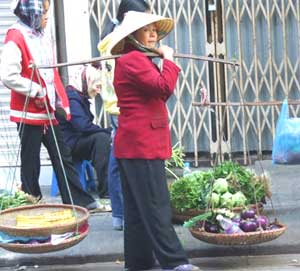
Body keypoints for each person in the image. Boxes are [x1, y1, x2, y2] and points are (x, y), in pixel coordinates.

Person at [98, 11, 200, 271]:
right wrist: (170, 60)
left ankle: (138, 262)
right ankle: (176, 263)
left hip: (135, 144)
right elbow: (163, 87)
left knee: (137, 211)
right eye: (147, 30)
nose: (154, 34)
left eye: (155, 29)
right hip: (140, 144)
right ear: (134, 35)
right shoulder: (133, 60)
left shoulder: (136, 59)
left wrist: (161, 60)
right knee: (156, 207)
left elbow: (155, 92)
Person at [0, 0, 99, 210]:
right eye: (43, 12)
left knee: (62, 155)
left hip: (48, 111)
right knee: (31, 161)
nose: (47, 17)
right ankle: (30, 201)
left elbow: (50, 72)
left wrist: (59, 101)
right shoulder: (16, 36)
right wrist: (35, 90)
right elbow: (8, 75)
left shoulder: (42, 36)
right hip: (29, 112)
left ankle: (76, 200)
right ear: (31, 14)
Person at [98, 0, 151, 231]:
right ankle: (123, 213)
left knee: (118, 157)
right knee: (121, 160)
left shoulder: (114, 35)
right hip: (121, 106)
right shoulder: (118, 39)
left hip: (117, 104)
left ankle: (121, 214)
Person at [57, 64, 111, 200]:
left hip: (75, 141)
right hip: (69, 144)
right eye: (96, 86)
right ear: (87, 81)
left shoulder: (78, 96)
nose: (98, 91)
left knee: (103, 138)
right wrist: (105, 131)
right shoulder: (72, 98)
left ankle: (108, 185)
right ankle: (105, 189)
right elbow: (82, 126)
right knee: (101, 139)